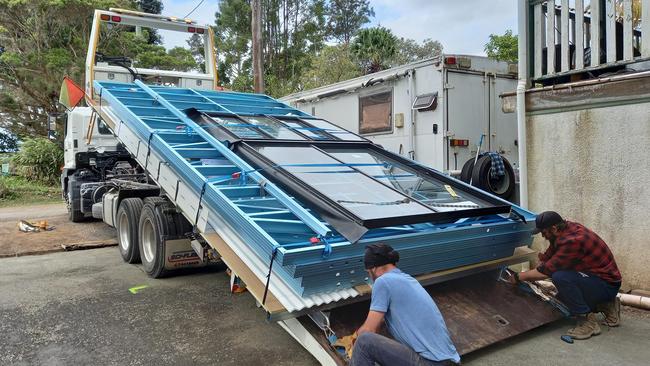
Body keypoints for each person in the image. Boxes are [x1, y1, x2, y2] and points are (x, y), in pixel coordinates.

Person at [510, 211, 622, 340]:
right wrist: (540, 265)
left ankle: (588, 323)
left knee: (560, 277)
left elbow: (546, 272)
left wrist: (519, 276)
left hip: (606, 284)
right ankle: (606, 304)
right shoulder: (565, 229)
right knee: (561, 302)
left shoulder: (573, 241)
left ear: (554, 228)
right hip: (596, 278)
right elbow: (550, 256)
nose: (542, 235)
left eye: (544, 232)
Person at [350, 243, 460, 366]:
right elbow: (378, 323)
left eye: (368, 273)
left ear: (373, 268)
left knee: (364, 342)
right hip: (450, 361)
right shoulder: (407, 280)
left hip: (430, 363)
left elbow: (369, 330)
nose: (370, 277)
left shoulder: (383, 281)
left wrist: (353, 343)